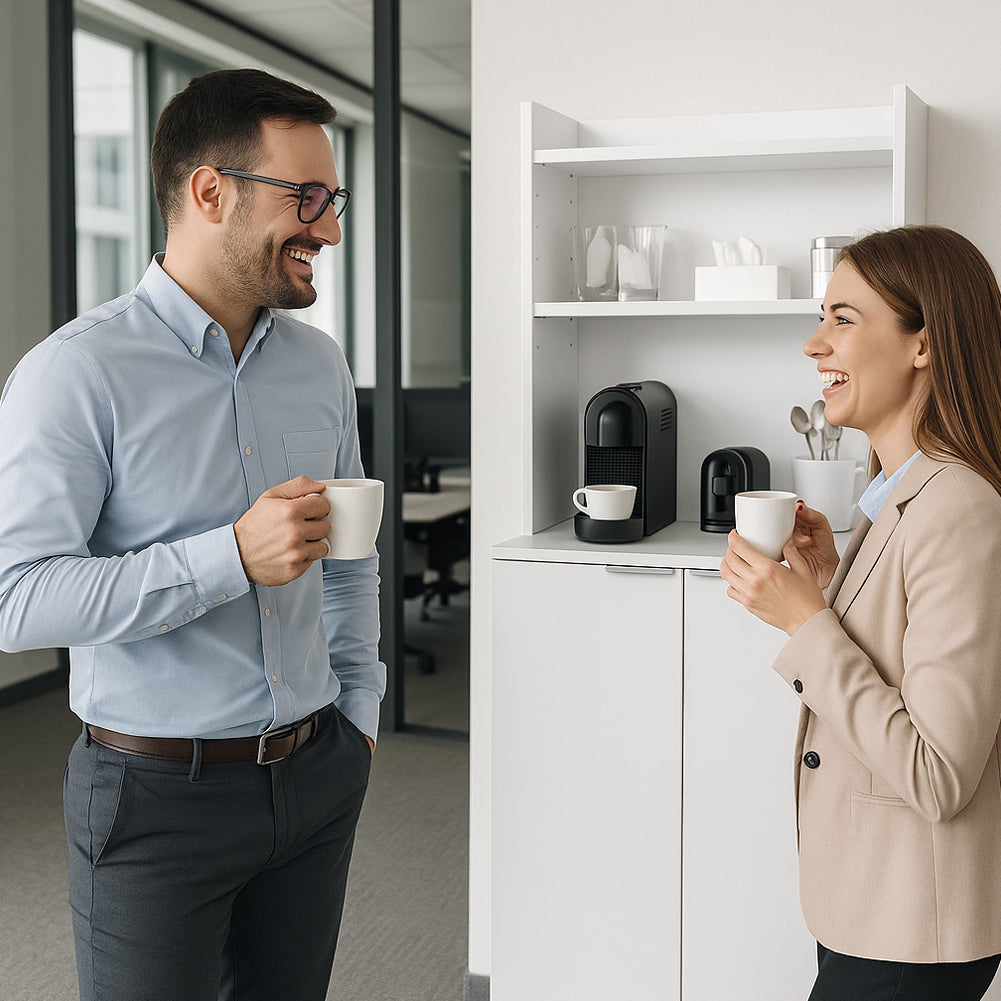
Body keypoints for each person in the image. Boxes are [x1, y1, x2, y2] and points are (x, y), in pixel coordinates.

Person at [0, 68, 384, 1001]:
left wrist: (358, 718)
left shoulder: (319, 364)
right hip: (152, 801)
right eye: (307, 198)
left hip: (314, 775)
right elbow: (18, 599)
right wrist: (229, 558)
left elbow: (347, 563)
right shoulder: (75, 373)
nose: (328, 228)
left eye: (331, 200)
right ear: (210, 192)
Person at [720, 225, 1001, 1001]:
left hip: (913, 927)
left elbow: (938, 773)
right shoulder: (894, 494)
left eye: (843, 318)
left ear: (923, 343)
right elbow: (903, 663)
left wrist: (803, 623)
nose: (815, 344)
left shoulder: (960, 508)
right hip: (872, 906)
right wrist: (828, 584)